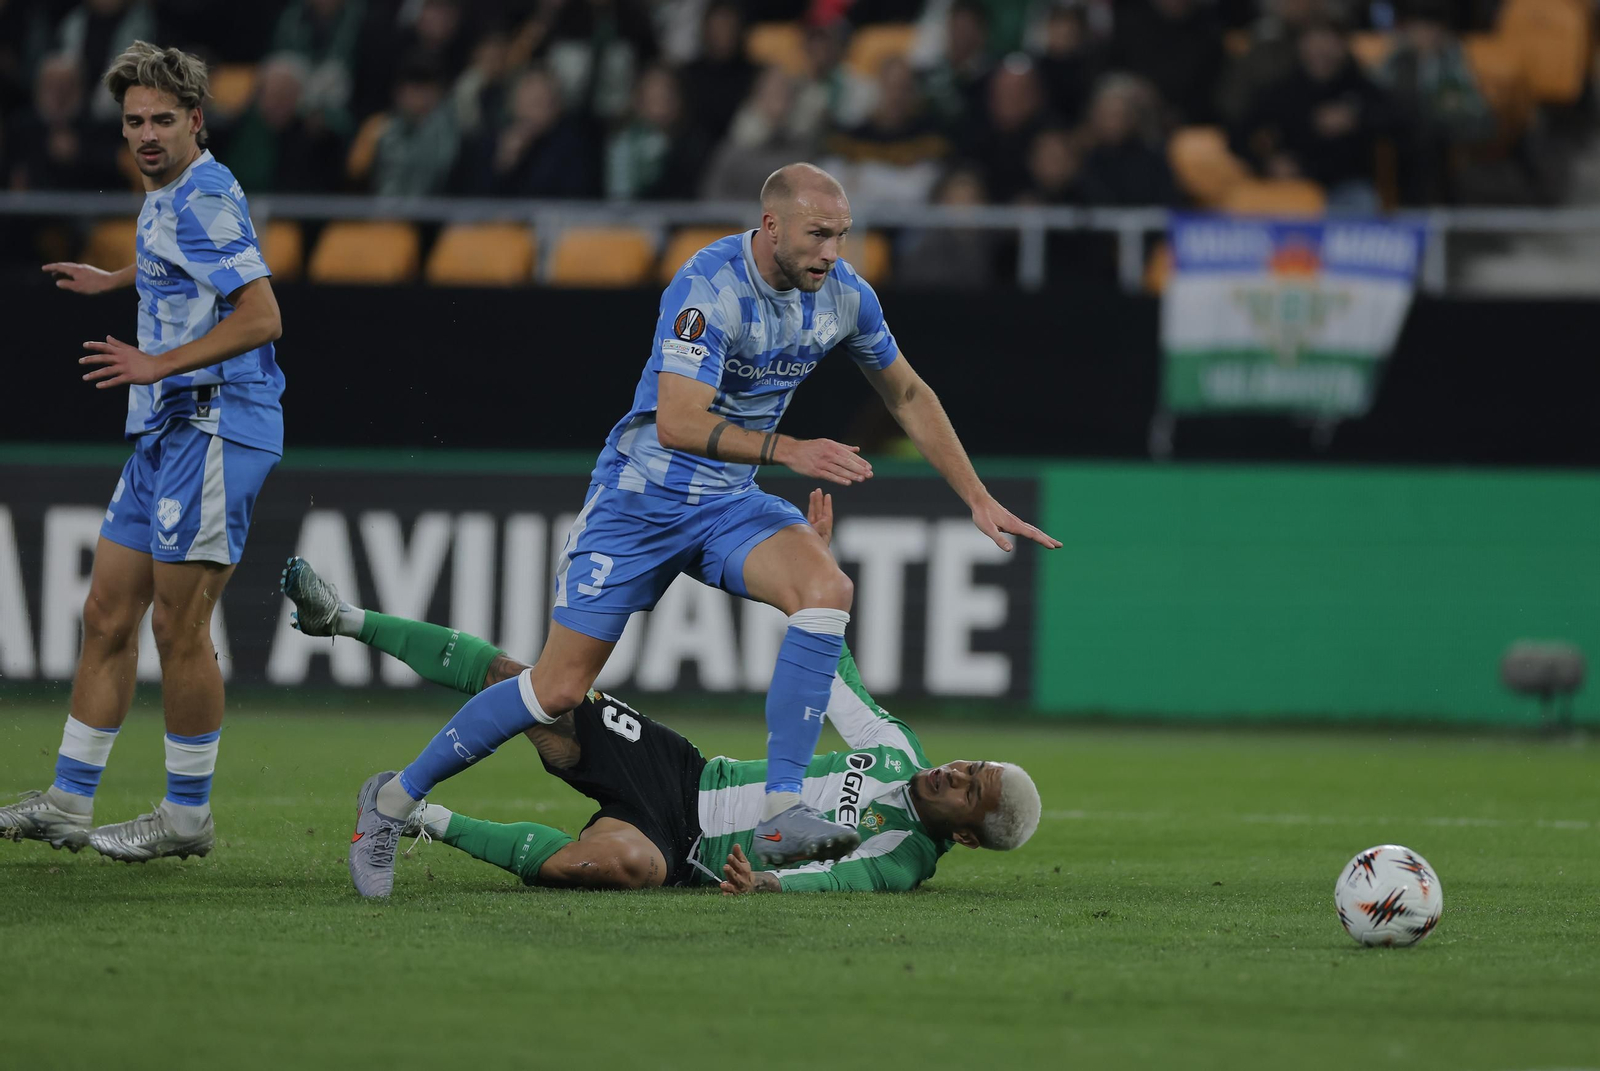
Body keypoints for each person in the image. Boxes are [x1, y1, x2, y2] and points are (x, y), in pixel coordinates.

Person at [330, 161, 1058, 898]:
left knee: (825, 588)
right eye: (818, 234)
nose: (833, 251)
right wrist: (790, 449)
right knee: (553, 690)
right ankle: (391, 802)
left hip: (728, 503)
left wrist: (975, 494)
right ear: (771, 225)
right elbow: (677, 422)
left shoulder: (844, 295)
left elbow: (904, 390)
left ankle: (780, 809)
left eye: (842, 235)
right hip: (640, 502)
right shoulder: (707, 288)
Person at [280, 491, 1042, 894]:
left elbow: (840, 876)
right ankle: (342, 617)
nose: (953, 771)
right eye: (972, 764)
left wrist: (768, 882)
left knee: (614, 868)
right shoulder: (897, 750)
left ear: (966, 835)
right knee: (534, 687)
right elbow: (834, 675)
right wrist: (820, 581)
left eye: (968, 789)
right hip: (681, 774)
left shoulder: (903, 856)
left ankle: (418, 810)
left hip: (683, 853)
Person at [0, 42, 284, 862]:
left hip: (218, 422)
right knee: (107, 613)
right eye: (134, 121)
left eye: (164, 119)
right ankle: (68, 799)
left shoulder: (205, 195)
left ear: (197, 120)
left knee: (177, 622)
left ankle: (187, 815)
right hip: (167, 426)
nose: (147, 134)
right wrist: (120, 277)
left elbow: (263, 315)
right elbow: (186, 261)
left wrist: (156, 360)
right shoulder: (167, 194)